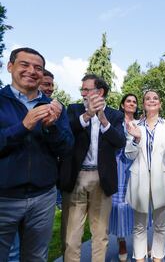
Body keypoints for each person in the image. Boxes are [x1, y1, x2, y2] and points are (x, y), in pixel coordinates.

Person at [0, 47, 73, 261]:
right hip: (4, 198)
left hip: (43, 197)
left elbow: (66, 148)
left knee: (36, 257)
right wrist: (24, 126)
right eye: (25, 64)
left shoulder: (54, 107)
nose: (31, 71)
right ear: (10, 66)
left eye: (38, 68)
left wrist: (51, 128)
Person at [59, 74, 126, 262]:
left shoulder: (115, 115)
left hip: (102, 179)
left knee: (100, 235)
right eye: (82, 89)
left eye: (86, 89)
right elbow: (65, 133)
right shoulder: (73, 110)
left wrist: (103, 120)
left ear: (100, 92)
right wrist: (87, 115)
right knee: (72, 237)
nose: (82, 93)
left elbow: (120, 141)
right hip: (76, 177)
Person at [124, 90, 165, 262]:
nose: (151, 100)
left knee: (160, 225)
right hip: (138, 181)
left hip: (161, 181)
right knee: (139, 226)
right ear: (143, 104)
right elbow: (129, 155)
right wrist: (135, 139)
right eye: (148, 98)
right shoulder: (134, 125)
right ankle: (140, 258)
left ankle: (158, 257)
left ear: (160, 103)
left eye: (155, 98)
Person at [108, 93, 139, 262]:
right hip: (118, 165)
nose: (131, 103)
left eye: (134, 101)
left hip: (135, 166)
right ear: (122, 104)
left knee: (136, 205)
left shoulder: (139, 123)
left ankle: (139, 241)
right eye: (128, 101)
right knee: (119, 206)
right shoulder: (116, 121)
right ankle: (121, 242)